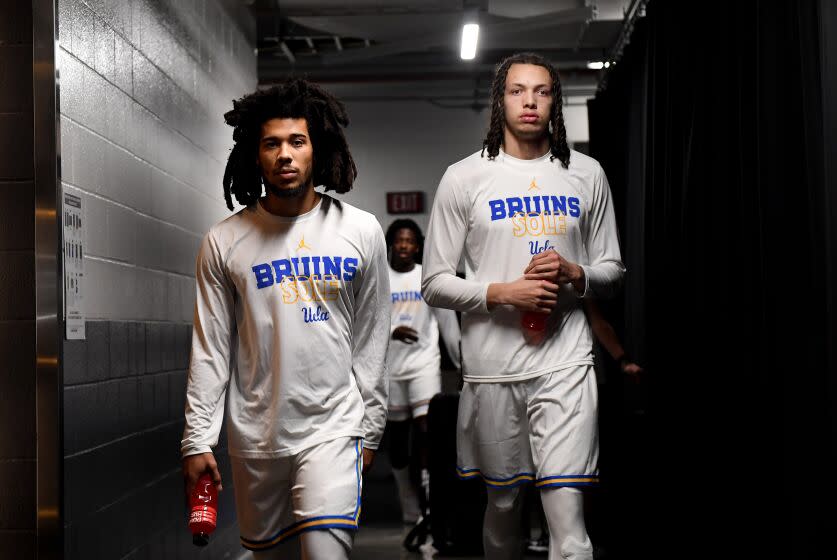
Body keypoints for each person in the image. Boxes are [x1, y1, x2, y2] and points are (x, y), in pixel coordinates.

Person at [422, 52, 625, 560]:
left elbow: (613, 273)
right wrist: (501, 293)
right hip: (493, 369)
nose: (530, 101)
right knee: (505, 505)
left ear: (554, 100)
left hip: (566, 362)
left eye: (541, 91)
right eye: (517, 90)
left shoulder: (585, 173)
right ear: (500, 100)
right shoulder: (465, 177)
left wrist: (577, 273)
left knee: (569, 523)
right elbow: (434, 283)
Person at [180, 79, 390, 560]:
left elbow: (371, 340)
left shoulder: (359, 231)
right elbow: (211, 349)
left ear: (317, 148)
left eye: (297, 141)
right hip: (256, 437)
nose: (285, 155)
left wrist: (371, 427)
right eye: (271, 143)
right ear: (256, 155)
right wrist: (196, 440)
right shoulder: (224, 241)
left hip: (334, 429)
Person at [384, 219, 461, 529]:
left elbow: (447, 322)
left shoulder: (426, 278)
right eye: (399, 240)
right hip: (389, 370)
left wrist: (460, 362)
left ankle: (432, 505)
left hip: (424, 365)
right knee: (399, 443)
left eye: (411, 240)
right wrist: (391, 331)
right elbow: (365, 322)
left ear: (418, 246)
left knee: (428, 432)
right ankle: (409, 501)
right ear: (391, 244)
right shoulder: (381, 278)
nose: (405, 245)